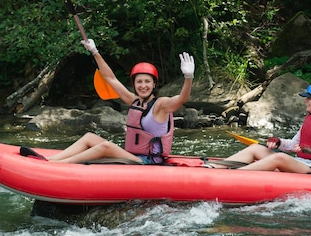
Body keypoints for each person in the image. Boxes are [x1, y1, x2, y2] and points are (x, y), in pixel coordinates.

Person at [21, 39, 195, 164]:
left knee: (104, 147)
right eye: (139, 82)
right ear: (134, 84)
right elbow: (110, 78)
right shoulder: (133, 100)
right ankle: (50, 159)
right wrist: (95, 52)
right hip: (132, 155)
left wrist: (188, 77)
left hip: (148, 161)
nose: (143, 85)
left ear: (154, 84)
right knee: (89, 137)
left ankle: (57, 165)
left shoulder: (161, 105)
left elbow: (181, 99)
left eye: (147, 82)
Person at [220, 83, 311, 174]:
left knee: (280, 158)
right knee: (256, 148)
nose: (305, 101)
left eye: (309, 98)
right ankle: (213, 167)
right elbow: (293, 145)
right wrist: (279, 142)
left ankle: (232, 175)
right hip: (301, 162)